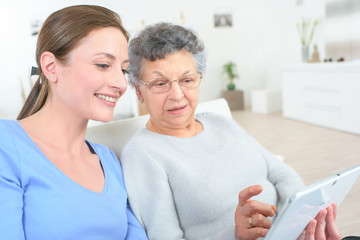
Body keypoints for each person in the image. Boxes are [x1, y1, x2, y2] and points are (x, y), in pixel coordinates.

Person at [120, 22, 341, 240]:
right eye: (160, 84)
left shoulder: (219, 122)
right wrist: (236, 236)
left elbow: (282, 174)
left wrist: (298, 223)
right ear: (139, 92)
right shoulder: (142, 155)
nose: (177, 94)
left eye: (187, 80)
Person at [0, 5, 147, 240]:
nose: (120, 83)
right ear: (51, 67)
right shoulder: (6, 146)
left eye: (123, 70)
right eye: (103, 65)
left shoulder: (108, 161)